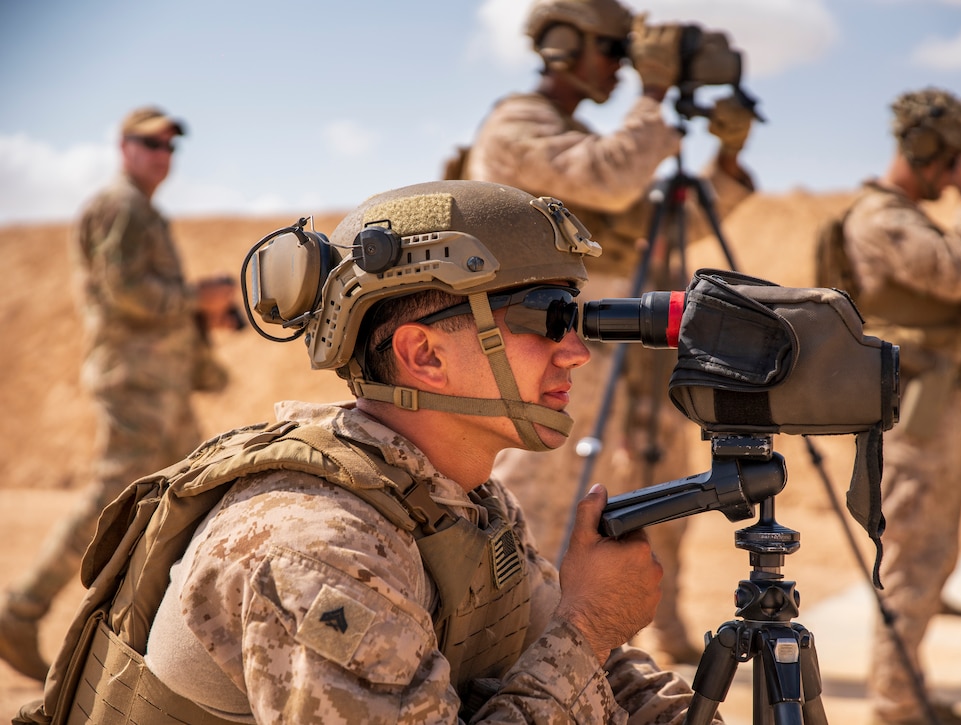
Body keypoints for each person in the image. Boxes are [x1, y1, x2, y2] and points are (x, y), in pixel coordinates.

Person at [20, 179, 723, 723]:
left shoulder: (454, 498)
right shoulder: (315, 548)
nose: (576, 351)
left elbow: (584, 668)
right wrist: (590, 623)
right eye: (545, 318)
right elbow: (575, 643)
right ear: (424, 354)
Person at [454, 0, 759, 663]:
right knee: (547, 481)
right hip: (548, 330)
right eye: (614, 51)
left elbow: (659, 221)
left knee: (662, 473)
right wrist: (652, 95)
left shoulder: (583, 137)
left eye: (632, 58)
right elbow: (613, 179)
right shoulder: (516, 127)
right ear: (563, 43)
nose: (623, 70)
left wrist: (728, 155)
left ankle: (649, 621)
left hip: (619, 327)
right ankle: (523, 642)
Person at [0, 106, 238, 682]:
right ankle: (20, 610)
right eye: (150, 144)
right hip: (134, 382)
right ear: (123, 146)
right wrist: (194, 298)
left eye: (170, 147)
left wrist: (204, 320)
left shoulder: (143, 212)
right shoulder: (121, 207)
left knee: (192, 492)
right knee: (120, 493)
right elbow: (125, 294)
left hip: (161, 384)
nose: (163, 156)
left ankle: (174, 636)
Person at [836, 88, 961, 725]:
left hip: (931, 405)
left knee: (933, 556)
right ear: (928, 150)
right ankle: (895, 703)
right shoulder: (881, 218)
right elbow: (953, 273)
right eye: (957, 157)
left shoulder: (905, 215)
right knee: (911, 558)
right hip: (911, 412)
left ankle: (904, 689)